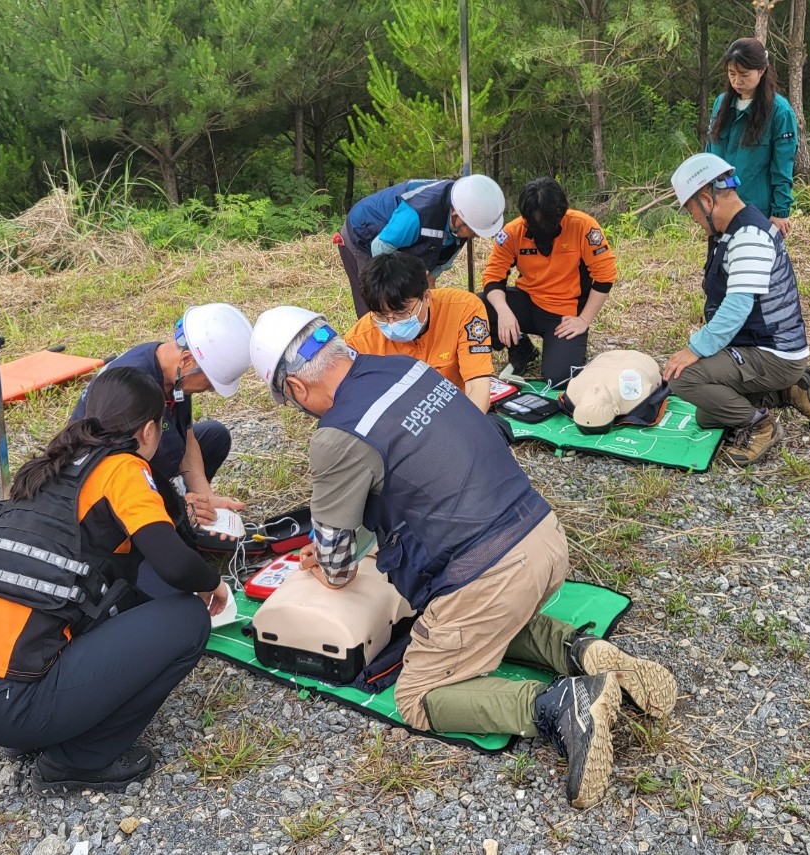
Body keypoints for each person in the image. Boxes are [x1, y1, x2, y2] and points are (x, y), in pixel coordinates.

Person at [248, 306, 678, 809]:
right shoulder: (403, 367)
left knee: (419, 697)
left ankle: (560, 704)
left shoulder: (337, 436)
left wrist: (322, 559)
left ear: (297, 390)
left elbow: (339, 568)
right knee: (474, 620)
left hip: (488, 575)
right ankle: (580, 651)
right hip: (542, 537)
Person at [0, 367, 231, 795]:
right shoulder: (122, 468)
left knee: (123, 594)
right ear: (150, 430)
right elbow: (173, 563)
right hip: (13, 703)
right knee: (188, 619)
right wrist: (212, 583)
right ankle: (78, 760)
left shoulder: (47, 469)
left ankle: (37, 732)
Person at [666, 153, 810, 467]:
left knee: (683, 379)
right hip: (761, 348)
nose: (693, 220)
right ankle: (786, 392)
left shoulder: (748, 238)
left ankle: (760, 426)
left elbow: (737, 308)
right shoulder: (732, 230)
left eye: (691, 211)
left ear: (706, 200)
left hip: (773, 353)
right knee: (708, 414)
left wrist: (695, 349)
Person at [72, 303, 252, 529]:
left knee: (215, 435)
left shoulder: (172, 372)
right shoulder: (134, 387)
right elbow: (122, 471)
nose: (211, 389)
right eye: (209, 382)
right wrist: (175, 507)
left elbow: (187, 438)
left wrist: (207, 499)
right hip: (109, 479)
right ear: (187, 361)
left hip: (143, 455)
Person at [481, 177, 617, 387]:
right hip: (526, 304)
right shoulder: (512, 232)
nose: (541, 229)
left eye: (547, 224)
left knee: (560, 379)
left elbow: (605, 275)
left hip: (564, 315)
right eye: (534, 224)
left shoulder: (583, 226)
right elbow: (492, 277)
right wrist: (503, 311)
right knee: (475, 307)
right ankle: (521, 347)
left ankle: (568, 351)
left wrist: (584, 320)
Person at [336, 175, 506, 317]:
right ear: (456, 216)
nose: (474, 236)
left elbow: (437, 267)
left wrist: (426, 296)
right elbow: (380, 251)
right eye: (473, 231)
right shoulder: (417, 215)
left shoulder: (466, 219)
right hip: (366, 236)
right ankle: (376, 351)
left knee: (412, 301)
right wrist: (398, 288)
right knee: (379, 302)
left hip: (403, 240)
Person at [345, 252, 494, 412]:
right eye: (381, 315)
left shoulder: (464, 309)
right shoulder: (358, 341)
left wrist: (463, 434)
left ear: (427, 297)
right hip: (399, 423)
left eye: (402, 313)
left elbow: (478, 387)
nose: (392, 323)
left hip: (460, 413)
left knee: (495, 432)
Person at [706, 37, 798, 238]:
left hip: (756, 211)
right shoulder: (721, 104)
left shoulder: (779, 112)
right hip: (720, 208)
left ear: (762, 71)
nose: (737, 81)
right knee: (720, 266)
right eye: (732, 74)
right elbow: (709, 154)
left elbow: (783, 166)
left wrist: (780, 212)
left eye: (744, 75)